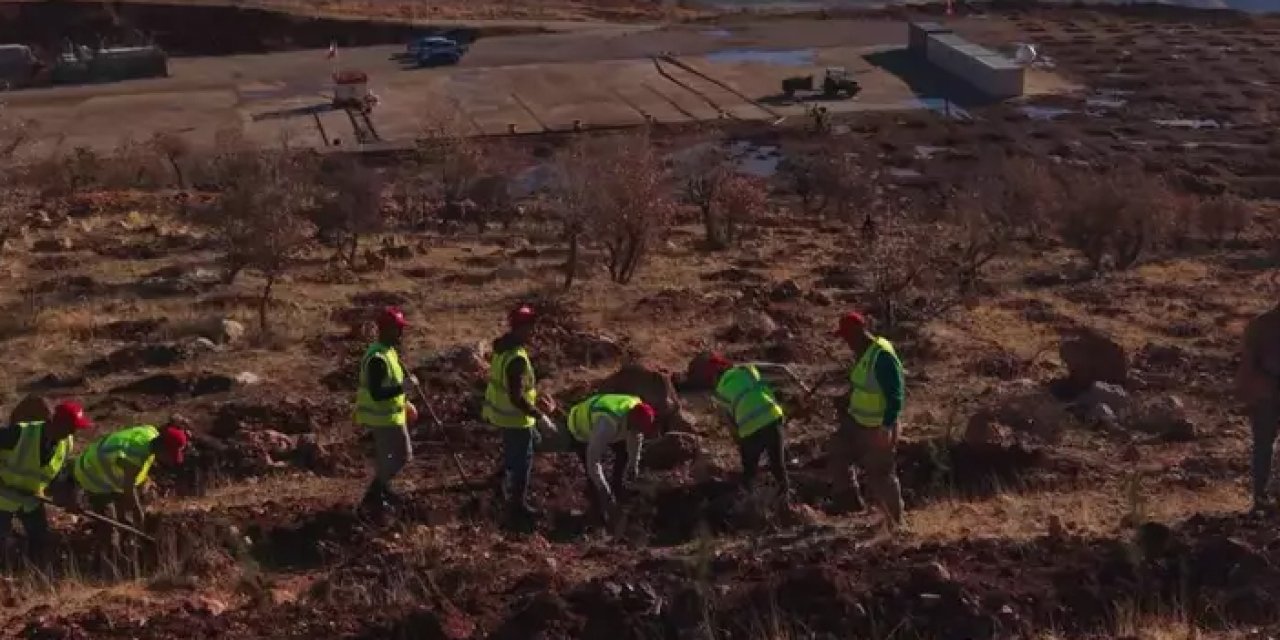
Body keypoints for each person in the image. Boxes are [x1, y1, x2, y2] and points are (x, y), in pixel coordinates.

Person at [827, 311, 906, 529]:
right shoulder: (863, 353)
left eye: (847, 337)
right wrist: (845, 401)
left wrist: (887, 426)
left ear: (859, 333)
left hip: (878, 427)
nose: (846, 343)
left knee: (881, 476)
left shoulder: (882, 357)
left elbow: (895, 396)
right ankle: (851, 506)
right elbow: (864, 386)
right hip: (856, 422)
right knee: (837, 452)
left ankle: (896, 526)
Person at [699, 353, 811, 500]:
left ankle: (750, 501)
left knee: (749, 472)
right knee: (777, 464)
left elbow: (730, 424)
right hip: (772, 417)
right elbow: (780, 370)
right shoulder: (746, 370)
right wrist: (802, 390)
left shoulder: (720, 393)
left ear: (713, 377)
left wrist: (740, 443)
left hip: (749, 430)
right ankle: (786, 498)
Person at [0, 401, 94, 564]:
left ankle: (32, 572)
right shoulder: (20, 433)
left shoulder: (66, 443)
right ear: (56, 422)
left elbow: (57, 475)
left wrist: (68, 498)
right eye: (70, 427)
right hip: (3, 496)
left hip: (31, 499)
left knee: (40, 538)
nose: (73, 432)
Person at [482, 305, 553, 520]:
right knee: (523, 462)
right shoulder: (516, 359)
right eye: (530, 327)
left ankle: (499, 482)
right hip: (515, 418)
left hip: (503, 414)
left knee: (526, 445)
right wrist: (540, 416)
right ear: (521, 328)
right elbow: (516, 397)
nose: (533, 332)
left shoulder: (503, 349)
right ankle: (517, 506)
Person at [70, 418, 190, 544]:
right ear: (162, 448)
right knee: (111, 529)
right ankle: (107, 549)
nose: (170, 461)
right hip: (93, 476)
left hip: (104, 469)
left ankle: (124, 540)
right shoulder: (135, 455)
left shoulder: (150, 433)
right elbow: (128, 489)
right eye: (170, 455)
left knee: (124, 519)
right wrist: (138, 513)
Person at [355, 306, 419, 513]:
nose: (401, 333)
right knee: (400, 456)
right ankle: (374, 495)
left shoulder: (388, 352)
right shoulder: (377, 359)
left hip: (392, 415)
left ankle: (381, 492)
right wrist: (404, 388)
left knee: (394, 458)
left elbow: (390, 385)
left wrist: (404, 402)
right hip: (383, 419)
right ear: (386, 329)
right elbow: (377, 393)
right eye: (397, 329)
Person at [565, 394, 657, 526]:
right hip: (580, 427)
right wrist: (604, 490)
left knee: (623, 454)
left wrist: (633, 465)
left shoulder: (636, 407)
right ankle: (599, 513)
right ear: (631, 421)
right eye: (637, 428)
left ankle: (618, 493)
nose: (638, 432)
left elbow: (636, 437)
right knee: (593, 477)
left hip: (613, 423)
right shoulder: (606, 425)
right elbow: (593, 460)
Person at [1237, 301, 1280, 513]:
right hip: (1266, 390)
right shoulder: (1261, 324)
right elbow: (1248, 361)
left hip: (1265, 390)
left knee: (1263, 445)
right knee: (1263, 445)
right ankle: (1261, 497)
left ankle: (1267, 496)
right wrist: (1247, 391)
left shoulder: (1260, 324)